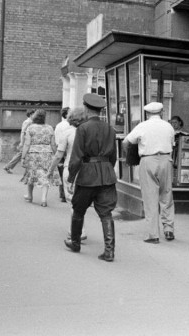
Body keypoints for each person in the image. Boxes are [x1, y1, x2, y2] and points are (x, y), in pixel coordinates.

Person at [65, 94, 118, 262]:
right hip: (107, 174)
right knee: (106, 213)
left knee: (78, 209)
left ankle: (75, 243)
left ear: (86, 108)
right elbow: (113, 157)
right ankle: (109, 251)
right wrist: (108, 169)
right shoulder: (110, 128)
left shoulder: (83, 128)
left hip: (88, 175)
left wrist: (71, 178)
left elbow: (76, 157)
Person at [123, 102, 175, 243]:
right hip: (166, 159)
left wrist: (130, 154)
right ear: (161, 112)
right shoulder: (168, 126)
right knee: (166, 194)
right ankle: (168, 229)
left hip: (147, 159)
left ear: (147, 113)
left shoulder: (142, 126)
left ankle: (153, 234)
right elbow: (172, 144)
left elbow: (126, 142)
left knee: (150, 197)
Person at [48, 107, 88, 241]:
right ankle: (79, 228)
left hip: (70, 168)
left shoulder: (67, 132)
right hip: (86, 169)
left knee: (72, 201)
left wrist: (51, 169)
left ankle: (78, 230)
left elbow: (59, 154)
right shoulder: (88, 131)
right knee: (82, 200)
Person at [21, 109, 62, 206]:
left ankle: (30, 196)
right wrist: (56, 155)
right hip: (47, 154)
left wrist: (23, 157)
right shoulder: (49, 128)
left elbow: (27, 144)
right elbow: (53, 144)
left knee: (31, 174)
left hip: (33, 154)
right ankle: (43, 199)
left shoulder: (30, 128)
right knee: (45, 175)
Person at [4, 109, 35, 174]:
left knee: (21, 154)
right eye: (34, 114)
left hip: (28, 140)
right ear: (31, 114)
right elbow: (23, 132)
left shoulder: (31, 121)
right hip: (26, 141)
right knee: (21, 154)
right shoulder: (27, 122)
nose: (35, 115)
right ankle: (8, 166)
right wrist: (22, 142)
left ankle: (8, 166)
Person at [53, 107, 71, 202]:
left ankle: (62, 194)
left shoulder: (58, 125)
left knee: (61, 172)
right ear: (66, 114)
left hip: (60, 148)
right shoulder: (69, 125)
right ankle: (67, 193)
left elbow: (56, 139)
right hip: (67, 150)